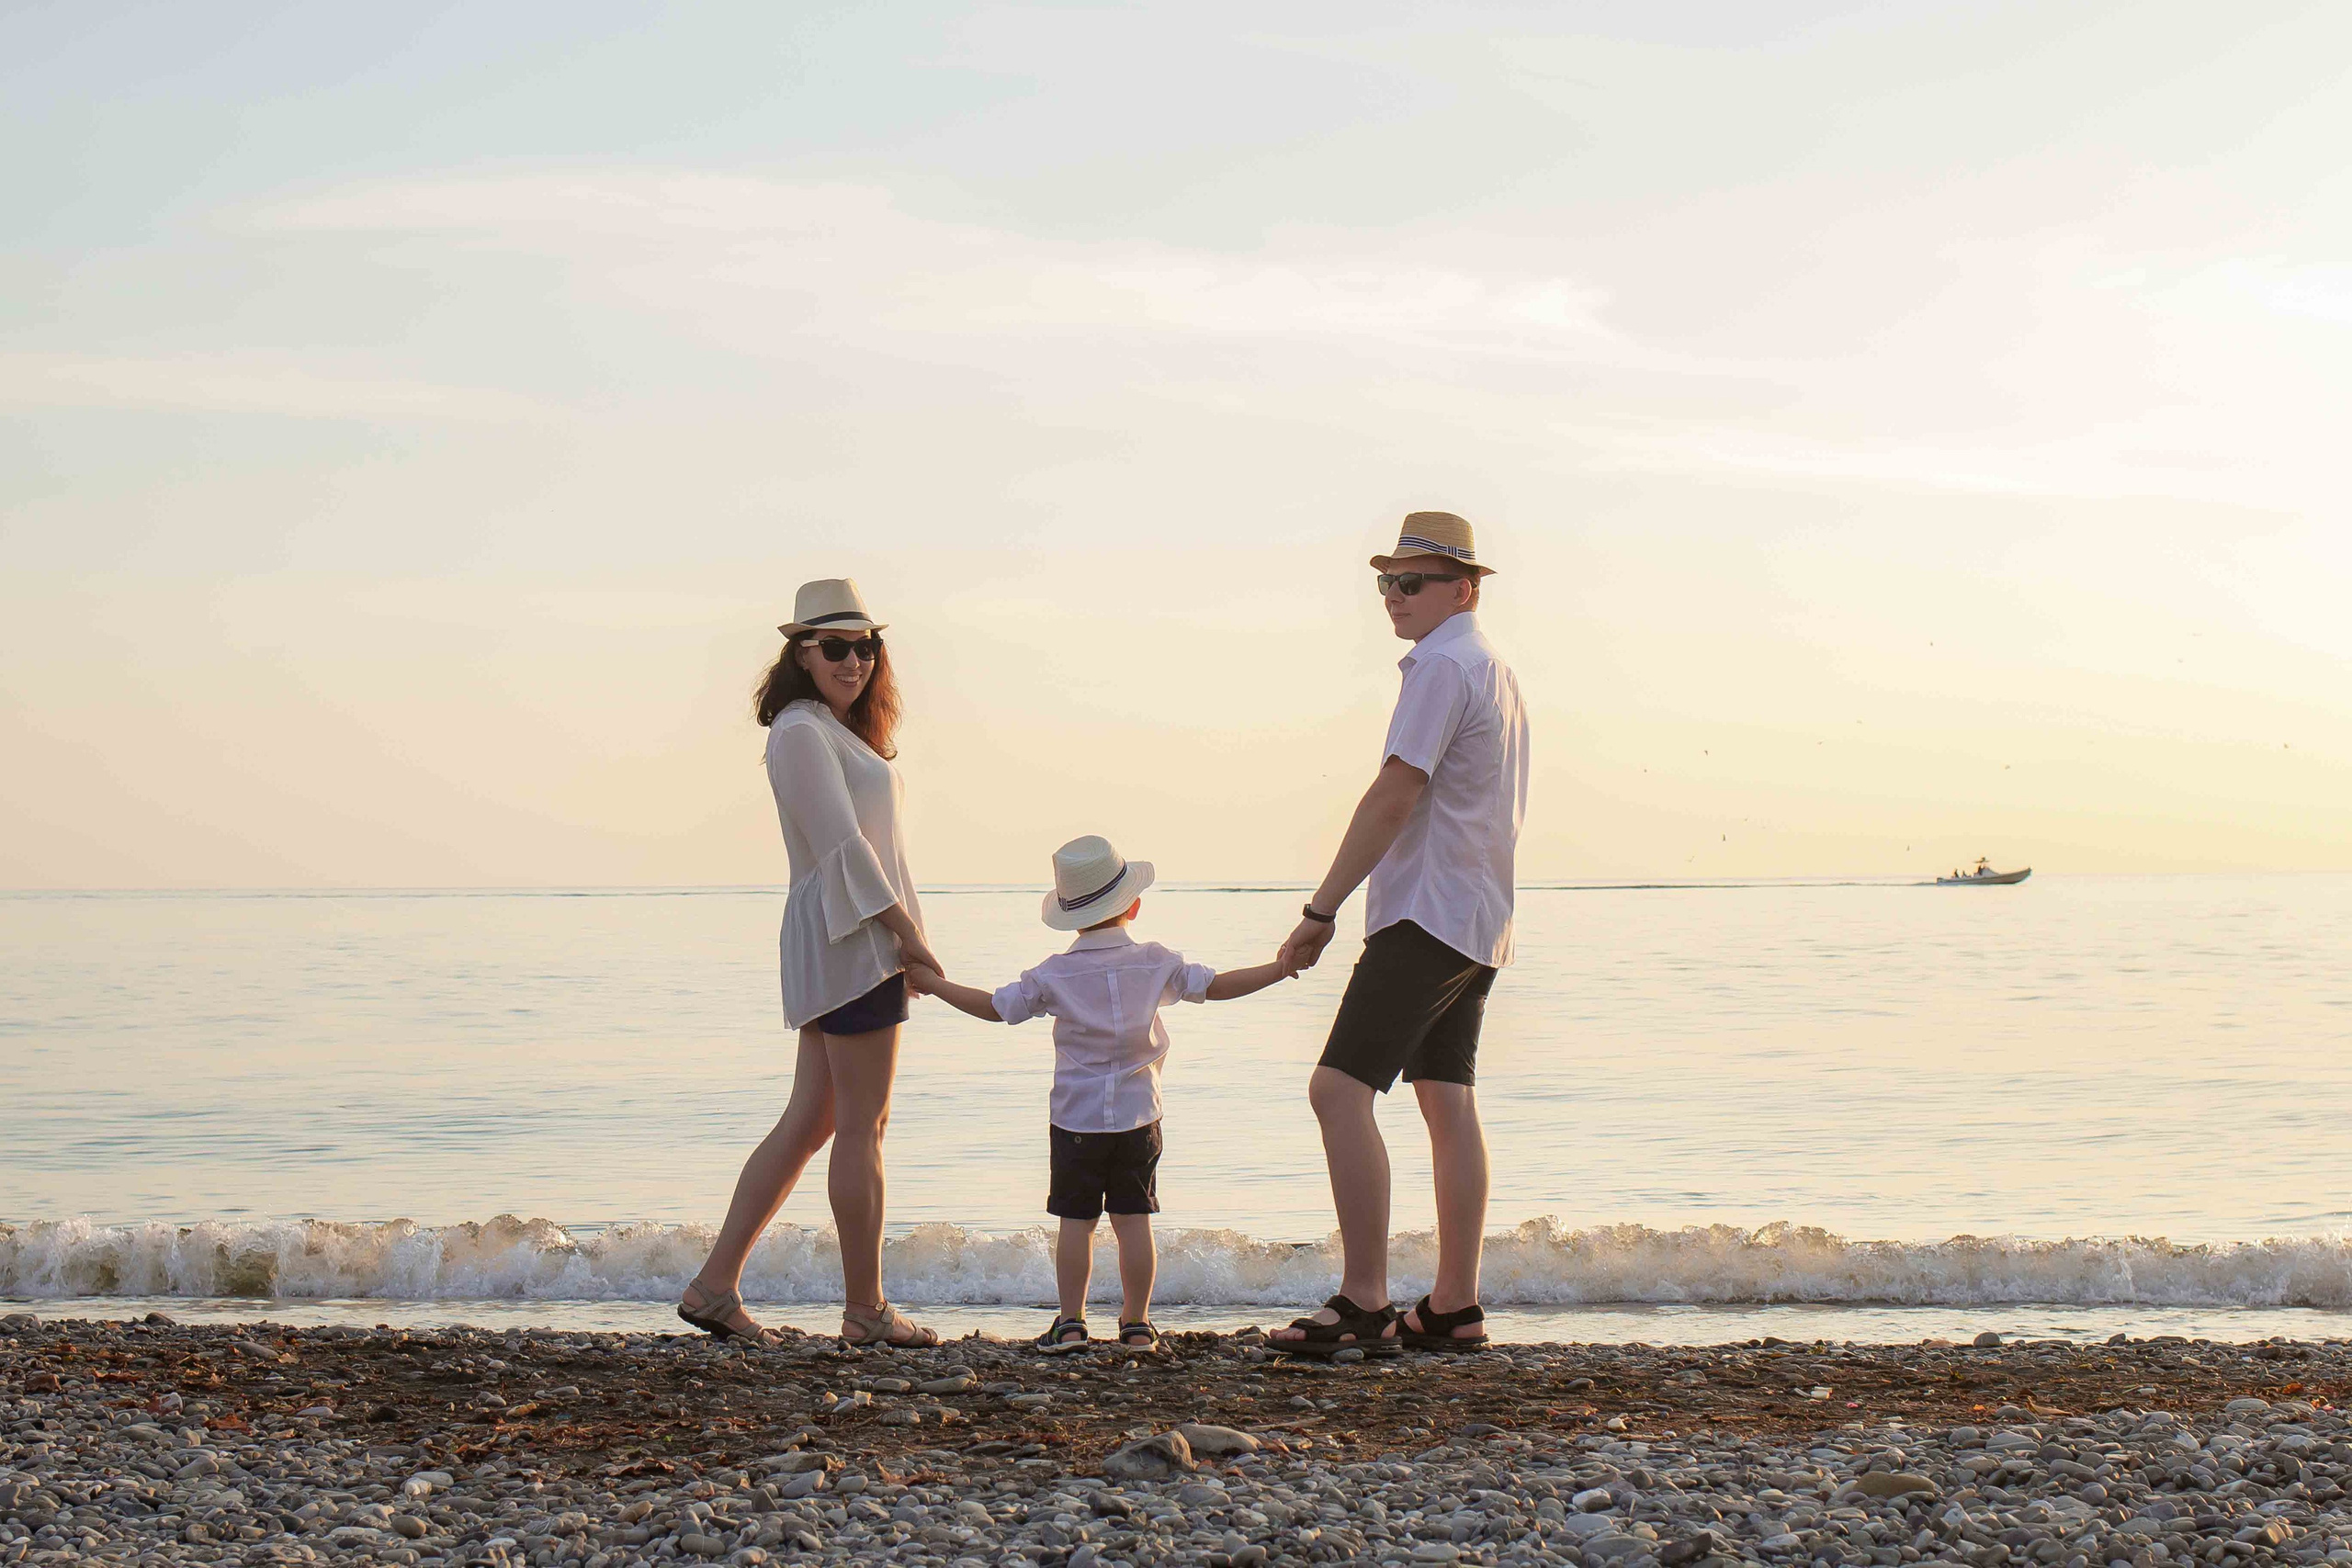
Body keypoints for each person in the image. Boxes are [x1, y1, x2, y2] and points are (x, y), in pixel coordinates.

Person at [1270, 512, 1529, 1356]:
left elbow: (1394, 791)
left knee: (1337, 1091)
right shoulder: (1493, 669)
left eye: (1411, 582)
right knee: (1446, 1098)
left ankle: (1365, 1301)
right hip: (1479, 916)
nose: (1394, 597)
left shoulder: (1443, 667)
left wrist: (1320, 909)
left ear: (1464, 587)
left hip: (1425, 910)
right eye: (1386, 581)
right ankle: (1454, 1305)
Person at [676, 578, 945, 1349]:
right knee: (863, 1125)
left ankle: (713, 1285)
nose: (854, 660)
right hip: (851, 935)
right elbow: (843, 850)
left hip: (851, 933)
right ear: (800, 653)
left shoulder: (832, 728)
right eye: (836, 647)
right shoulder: (799, 731)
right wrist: (908, 937)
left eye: (866, 646)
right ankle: (865, 1310)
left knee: (816, 1118)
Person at [907, 835, 1293, 1354]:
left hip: (1075, 1121)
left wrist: (932, 984)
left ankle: (1070, 1323)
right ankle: (1136, 1324)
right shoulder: (1156, 961)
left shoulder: (1054, 972)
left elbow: (995, 1008)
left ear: (1071, 915)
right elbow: (1219, 985)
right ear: (1133, 905)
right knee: (1134, 1222)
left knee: (1077, 1223)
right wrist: (1280, 968)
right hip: (1140, 1117)